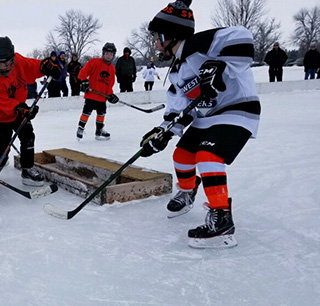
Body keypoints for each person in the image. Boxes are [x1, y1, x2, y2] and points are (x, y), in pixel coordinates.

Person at [141, 0, 261, 248]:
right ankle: (187, 191)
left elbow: (243, 37)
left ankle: (222, 220)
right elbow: (178, 109)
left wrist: (218, 65)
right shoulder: (176, 70)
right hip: (207, 118)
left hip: (238, 110)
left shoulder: (200, 45)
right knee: (181, 156)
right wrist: (162, 132)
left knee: (207, 157)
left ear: (171, 36)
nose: (155, 43)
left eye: (157, 37)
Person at [0, 36, 61, 186]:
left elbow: (33, 68)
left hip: (19, 111)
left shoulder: (18, 61)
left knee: (28, 137)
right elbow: (2, 103)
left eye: (7, 62)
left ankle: (27, 169)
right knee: (2, 151)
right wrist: (21, 109)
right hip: (0, 117)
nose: (4, 67)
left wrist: (46, 66)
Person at [75, 42, 119, 141]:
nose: (108, 56)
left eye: (111, 54)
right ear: (103, 53)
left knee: (102, 113)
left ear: (113, 56)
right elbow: (83, 72)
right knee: (86, 112)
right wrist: (84, 82)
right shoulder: (95, 62)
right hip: (91, 94)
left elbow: (110, 83)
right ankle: (80, 128)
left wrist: (110, 95)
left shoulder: (112, 68)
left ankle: (99, 130)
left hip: (102, 97)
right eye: (107, 53)